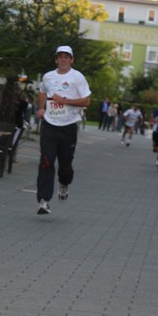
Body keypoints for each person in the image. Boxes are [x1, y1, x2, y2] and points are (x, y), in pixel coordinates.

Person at [35, 45, 91, 214]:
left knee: (65, 165)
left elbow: (86, 101)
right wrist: (41, 108)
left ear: (72, 60)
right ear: (56, 59)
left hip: (68, 127)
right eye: (60, 56)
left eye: (67, 57)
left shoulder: (77, 77)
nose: (64, 59)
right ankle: (43, 200)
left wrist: (66, 101)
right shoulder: (48, 77)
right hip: (50, 125)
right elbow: (42, 92)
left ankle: (64, 183)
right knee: (46, 161)